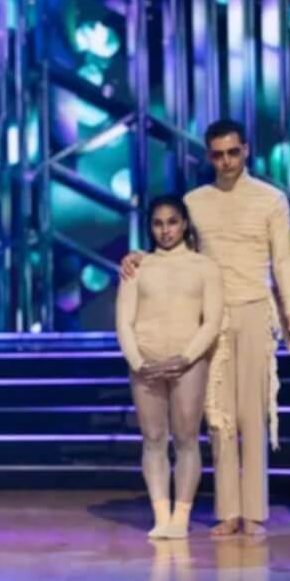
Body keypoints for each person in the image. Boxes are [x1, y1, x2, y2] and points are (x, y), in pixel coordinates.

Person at [121, 119, 290, 537]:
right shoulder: (195, 202)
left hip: (255, 308)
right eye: (218, 154)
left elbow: (284, 260)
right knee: (217, 416)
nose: (226, 161)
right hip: (207, 318)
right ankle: (227, 511)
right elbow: (174, 249)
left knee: (252, 413)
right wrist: (139, 257)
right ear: (208, 156)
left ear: (246, 150)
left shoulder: (270, 200)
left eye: (233, 152)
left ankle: (253, 512)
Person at [115, 196, 223, 540]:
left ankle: (181, 516)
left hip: (188, 362)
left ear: (185, 223)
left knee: (187, 438)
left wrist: (188, 356)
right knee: (153, 439)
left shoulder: (204, 266)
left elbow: (212, 320)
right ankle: (161, 515)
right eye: (158, 223)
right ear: (150, 227)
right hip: (145, 363)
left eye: (172, 222)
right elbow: (124, 322)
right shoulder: (137, 268)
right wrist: (138, 362)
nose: (165, 230)